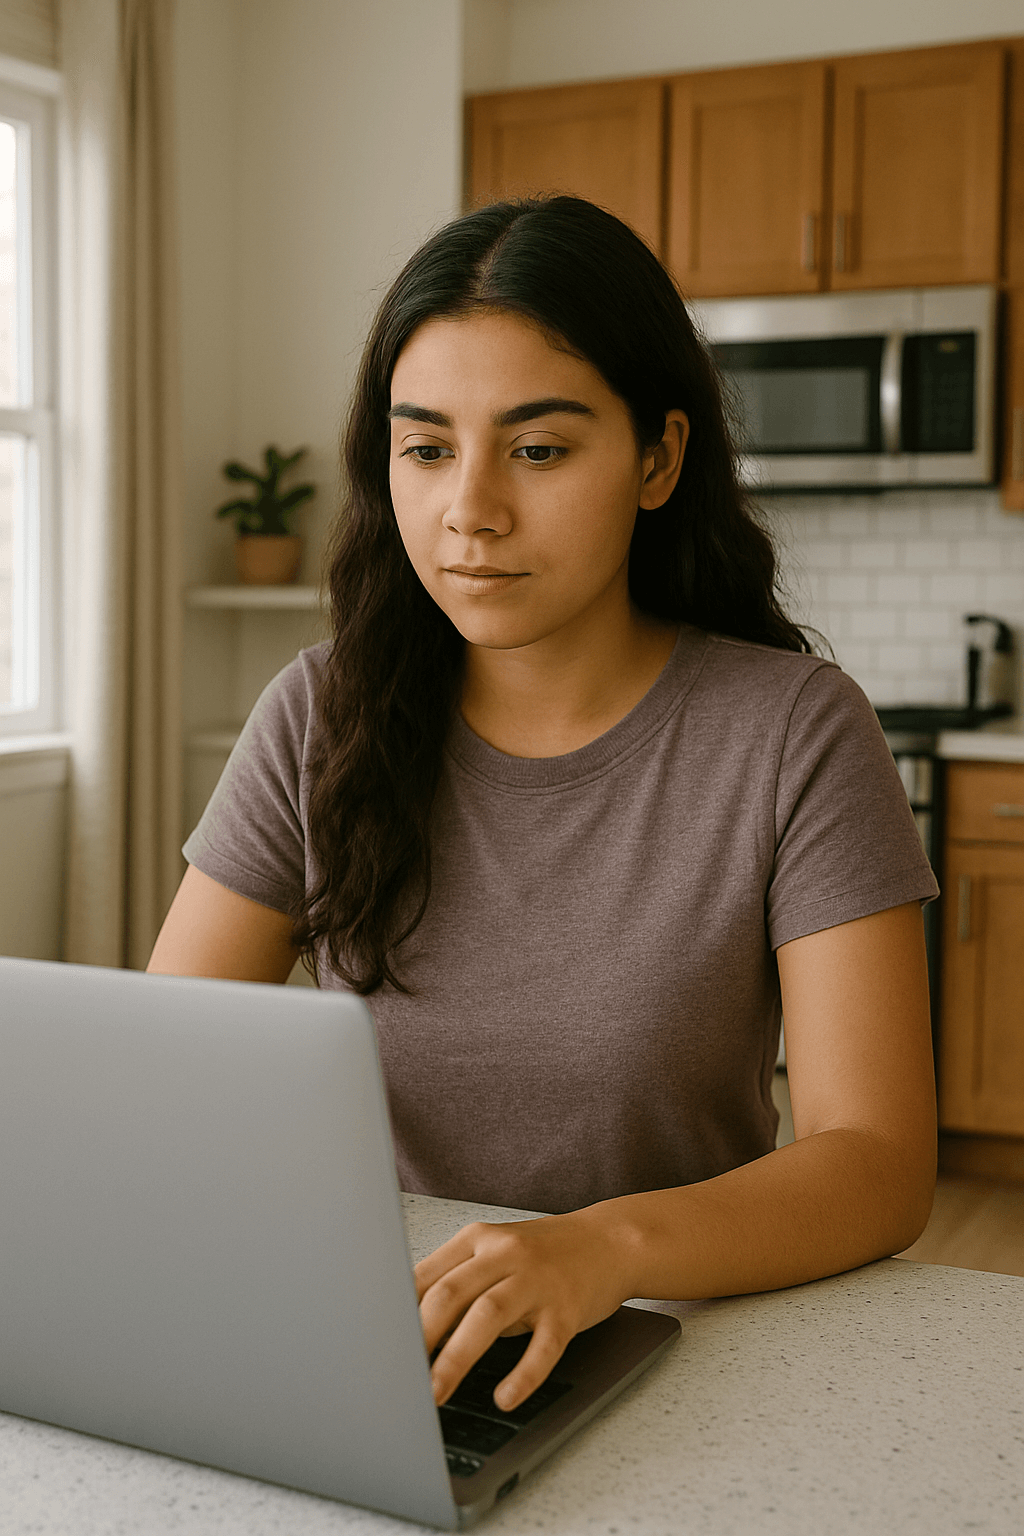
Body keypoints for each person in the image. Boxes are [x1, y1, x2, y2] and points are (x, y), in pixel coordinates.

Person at [150, 195, 938, 1420]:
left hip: (666, 1346)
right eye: (426, 448)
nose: (471, 510)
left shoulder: (791, 731)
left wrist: (599, 1249)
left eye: (538, 448)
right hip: (382, 1349)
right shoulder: (318, 712)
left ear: (657, 459)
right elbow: (165, 1070)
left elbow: (879, 1166)